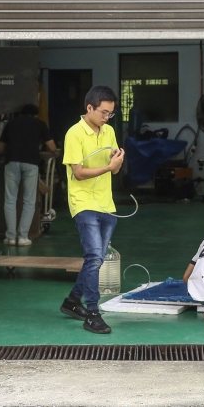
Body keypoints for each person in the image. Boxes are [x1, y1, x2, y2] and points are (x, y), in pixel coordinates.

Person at [58, 85, 125, 334]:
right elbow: (78, 172)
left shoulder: (109, 131)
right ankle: (93, 313)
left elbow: (115, 169)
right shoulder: (74, 134)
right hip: (83, 203)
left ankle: (72, 301)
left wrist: (117, 162)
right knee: (95, 256)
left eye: (110, 113)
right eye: (103, 112)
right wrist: (108, 168)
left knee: (95, 260)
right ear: (89, 108)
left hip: (106, 204)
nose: (107, 117)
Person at [0, 104, 57, 246]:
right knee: (29, 201)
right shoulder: (40, 124)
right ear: (36, 115)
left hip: (11, 162)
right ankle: (23, 237)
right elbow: (52, 146)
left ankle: (11, 237)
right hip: (31, 163)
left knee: (10, 200)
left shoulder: (11, 123)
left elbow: (0, 148)